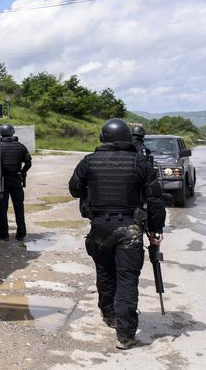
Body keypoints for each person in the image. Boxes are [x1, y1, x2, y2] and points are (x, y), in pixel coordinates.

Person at [68, 118, 166, 349]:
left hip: (100, 228)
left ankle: (109, 315)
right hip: (130, 229)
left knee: (104, 273)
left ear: (103, 138)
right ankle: (125, 334)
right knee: (127, 280)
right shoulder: (140, 162)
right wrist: (156, 230)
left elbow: (74, 189)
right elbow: (155, 200)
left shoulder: (89, 162)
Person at [0, 124, 32, 241]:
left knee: (2, 208)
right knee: (19, 207)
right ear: (12, 132)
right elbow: (28, 163)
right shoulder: (20, 147)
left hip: (2, 181)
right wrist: (22, 172)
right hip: (16, 179)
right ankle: (21, 233)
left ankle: (3, 234)